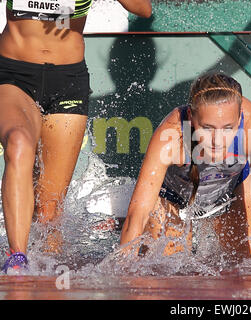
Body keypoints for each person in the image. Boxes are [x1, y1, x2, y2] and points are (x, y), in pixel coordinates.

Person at [0, 0, 152, 272]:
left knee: (48, 213)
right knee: (19, 144)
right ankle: (17, 261)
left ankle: (47, 278)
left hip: (68, 81)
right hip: (14, 74)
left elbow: (144, 9)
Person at [120, 73, 251, 259]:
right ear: (191, 117)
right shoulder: (171, 136)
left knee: (246, 263)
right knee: (166, 269)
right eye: (208, 128)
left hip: (229, 193)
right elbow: (137, 215)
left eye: (228, 128)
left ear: (240, 116)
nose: (217, 141)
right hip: (173, 197)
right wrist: (121, 273)